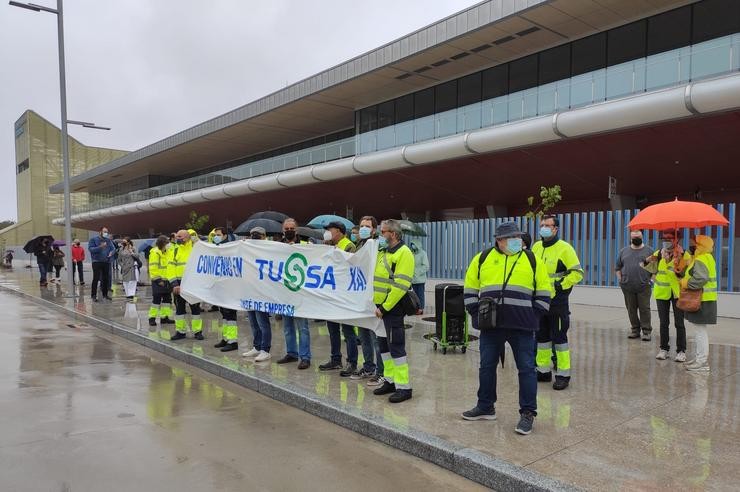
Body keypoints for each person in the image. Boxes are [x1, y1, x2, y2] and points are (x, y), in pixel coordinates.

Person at [461, 221, 551, 435]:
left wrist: (534, 315)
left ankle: (528, 413)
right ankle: (485, 406)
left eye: (518, 238)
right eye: (511, 238)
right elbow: (470, 288)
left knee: (527, 369)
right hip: (491, 326)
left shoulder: (531, 259)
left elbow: (544, 290)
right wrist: (476, 313)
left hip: (522, 326)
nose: (516, 241)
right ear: (499, 241)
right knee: (486, 366)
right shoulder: (482, 258)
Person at [531, 215, 583, 391]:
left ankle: (563, 374)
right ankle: (543, 371)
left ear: (556, 229)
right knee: (542, 338)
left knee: (559, 339)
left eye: (548, 225)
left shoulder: (565, 249)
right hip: (539, 301)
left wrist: (560, 285)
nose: (544, 228)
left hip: (557, 302)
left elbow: (577, 273)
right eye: (542, 225)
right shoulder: (536, 247)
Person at [372, 219, 416, 403]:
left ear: (394, 234)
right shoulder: (383, 252)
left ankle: (404, 387)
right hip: (380, 309)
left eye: (383, 232)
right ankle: (390, 381)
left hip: (392, 308)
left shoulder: (404, 253)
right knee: (384, 347)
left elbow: (400, 285)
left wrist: (384, 307)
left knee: (396, 347)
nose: (380, 235)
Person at [641, 229, 690, 361]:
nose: (666, 241)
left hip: (677, 293)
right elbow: (648, 267)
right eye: (664, 238)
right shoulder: (658, 253)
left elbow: (687, 274)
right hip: (662, 293)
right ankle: (663, 349)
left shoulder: (684, 255)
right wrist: (649, 259)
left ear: (677, 240)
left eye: (669, 238)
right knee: (664, 323)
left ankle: (681, 351)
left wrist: (676, 264)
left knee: (679, 323)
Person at [318, 221, 359, 375]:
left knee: (348, 331)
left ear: (340, 231)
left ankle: (352, 362)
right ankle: (335, 359)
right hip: (331, 295)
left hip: (344, 297)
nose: (328, 232)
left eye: (331, 230)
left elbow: (347, 268)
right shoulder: (330, 246)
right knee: (333, 330)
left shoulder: (349, 246)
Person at [350, 216, 384, 383]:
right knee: (364, 335)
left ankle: (381, 371)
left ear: (374, 229)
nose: (363, 228)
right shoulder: (359, 245)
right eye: (361, 225)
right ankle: (368, 367)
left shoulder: (378, 246)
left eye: (367, 226)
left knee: (376, 337)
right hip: (361, 298)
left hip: (375, 298)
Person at [276, 219, 311, 368]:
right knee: (287, 327)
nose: (289, 230)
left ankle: (305, 357)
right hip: (284, 293)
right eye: (286, 228)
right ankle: (291, 353)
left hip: (300, 294)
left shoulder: (306, 246)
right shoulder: (277, 246)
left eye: (292, 228)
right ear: (283, 230)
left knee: (302, 328)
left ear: (296, 230)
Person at [681, 235, 717, 372]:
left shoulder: (701, 259)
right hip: (704, 299)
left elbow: (701, 278)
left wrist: (685, 283)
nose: (692, 245)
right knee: (699, 331)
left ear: (701, 246)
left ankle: (702, 362)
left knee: (700, 332)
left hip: (702, 300)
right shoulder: (706, 257)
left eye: (694, 244)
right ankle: (699, 359)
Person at [615, 230, 654, 341]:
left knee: (644, 309)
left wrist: (651, 281)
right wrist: (620, 279)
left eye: (638, 236)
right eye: (634, 236)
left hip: (644, 286)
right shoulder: (623, 251)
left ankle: (646, 332)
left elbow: (655, 268)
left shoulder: (649, 250)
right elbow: (617, 267)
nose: (636, 238)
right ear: (630, 238)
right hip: (627, 286)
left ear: (642, 237)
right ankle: (635, 330)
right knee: (631, 309)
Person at [242, 226, 272, 361]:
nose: (255, 236)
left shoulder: (270, 249)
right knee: (253, 322)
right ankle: (257, 346)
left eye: (258, 234)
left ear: (264, 236)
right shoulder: (246, 249)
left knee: (263, 322)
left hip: (262, 291)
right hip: (249, 290)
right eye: (253, 234)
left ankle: (266, 349)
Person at [168, 229, 203, 341]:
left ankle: (197, 331)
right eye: (177, 236)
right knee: (179, 310)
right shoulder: (174, 250)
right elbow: (170, 268)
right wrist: (174, 284)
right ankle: (180, 331)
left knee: (195, 310)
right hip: (179, 285)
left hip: (193, 285)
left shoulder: (195, 248)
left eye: (180, 237)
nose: (178, 238)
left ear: (188, 237)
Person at [211, 227, 239, 352]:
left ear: (225, 236)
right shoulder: (217, 248)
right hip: (220, 286)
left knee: (230, 314)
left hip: (230, 286)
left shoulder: (230, 248)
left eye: (218, 235)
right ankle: (226, 337)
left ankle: (233, 341)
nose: (216, 237)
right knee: (224, 314)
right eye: (215, 235)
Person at [148, 235, 175, 333]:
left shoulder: (167, 252)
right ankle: (152, 318)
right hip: (158, 280)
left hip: (167, 280)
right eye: (167, 243)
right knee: (156, 301)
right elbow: (153, 268)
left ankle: (164, 317)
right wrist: (158, 280)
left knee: (167, 300)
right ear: (162, 243)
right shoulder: (155, 253)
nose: (168, 245)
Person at [88, 226, 115, 301]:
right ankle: (93, 295)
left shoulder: (108, 240)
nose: (106, 233)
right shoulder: (93, 239)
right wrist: (100, 247)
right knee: (96, 278)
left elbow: (113, 249)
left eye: (107, 232)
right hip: (96, 261)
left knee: (106, 278)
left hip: (106, 261)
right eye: (104, 231)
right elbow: (91, 249)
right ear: (100, 232)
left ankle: (105, 294)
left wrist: (111, 253)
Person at [409, 239, 429, 315]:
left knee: (420, 295)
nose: (412, 246)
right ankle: (415, 308)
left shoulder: (423, 253)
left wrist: (417, 272)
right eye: (411, 245)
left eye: (413, 244)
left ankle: (420, 309)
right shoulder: (411, 253)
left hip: (420, 280)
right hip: (413, 279)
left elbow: (426, 266)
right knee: (414, 295)